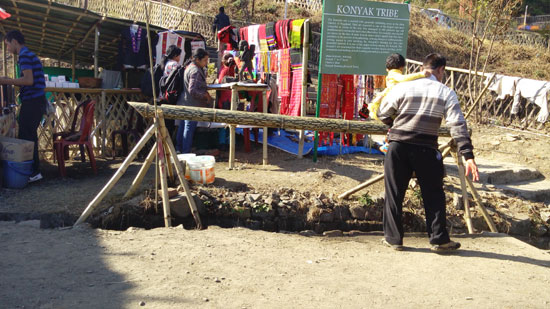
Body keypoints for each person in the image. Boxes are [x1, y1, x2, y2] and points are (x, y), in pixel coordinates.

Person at [377, 53, 479, 252]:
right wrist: (468, 155)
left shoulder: (403, 87)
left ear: (424, 67)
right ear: (441, 70)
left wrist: (394, 125)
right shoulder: (446, 92)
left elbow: (382, 112)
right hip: (427, 148)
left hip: (398, 147)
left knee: (394, 193)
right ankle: (439, 240)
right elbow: (457, 125)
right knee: (434, 195)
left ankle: (393, 238)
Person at [0, 30, 46, 182]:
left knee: (27, 136)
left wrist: (6, 81)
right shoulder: (28, 54)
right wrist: (10, 79)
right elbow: (27, 79)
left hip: (33, 101)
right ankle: (33, 171)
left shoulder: (24, 56)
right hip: (36, 101)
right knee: (29, 134)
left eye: (7, 45)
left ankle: (33, 172)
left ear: (14, 41)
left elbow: (28, 81)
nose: (7, 49)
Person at [365, 53, 430, 153]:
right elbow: (403, 79)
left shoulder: (391, 74)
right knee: (396, 124)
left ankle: (389, 142)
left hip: (393, 102)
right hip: (393, 102)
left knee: (395, 124)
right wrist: (421, 74)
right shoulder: (395, 74)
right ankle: (388, 143)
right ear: (402, 67)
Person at [176, 48, 213, 153]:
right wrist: (205, 95)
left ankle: (179, 149)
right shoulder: (195, 71)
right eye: (205, 60)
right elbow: (192, 90)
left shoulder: (189, 67)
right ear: (197, 60)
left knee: (183, 126)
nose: (206, 63)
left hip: (186, 102)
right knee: (188, 128)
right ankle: (185, 152)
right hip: (192, 104)